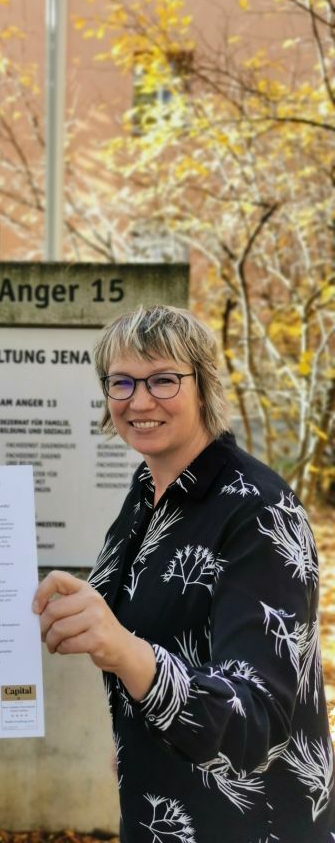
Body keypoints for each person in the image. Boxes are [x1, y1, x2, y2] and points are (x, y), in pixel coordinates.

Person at [33, 304, 335, 842]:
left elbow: (255, 722)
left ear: (203, 386)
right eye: (121, 382)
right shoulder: (149, 493)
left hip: (250, 825)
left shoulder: (259, 512)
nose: (139, 401)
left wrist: (120, 646)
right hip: (163, 809)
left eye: (163, 380)